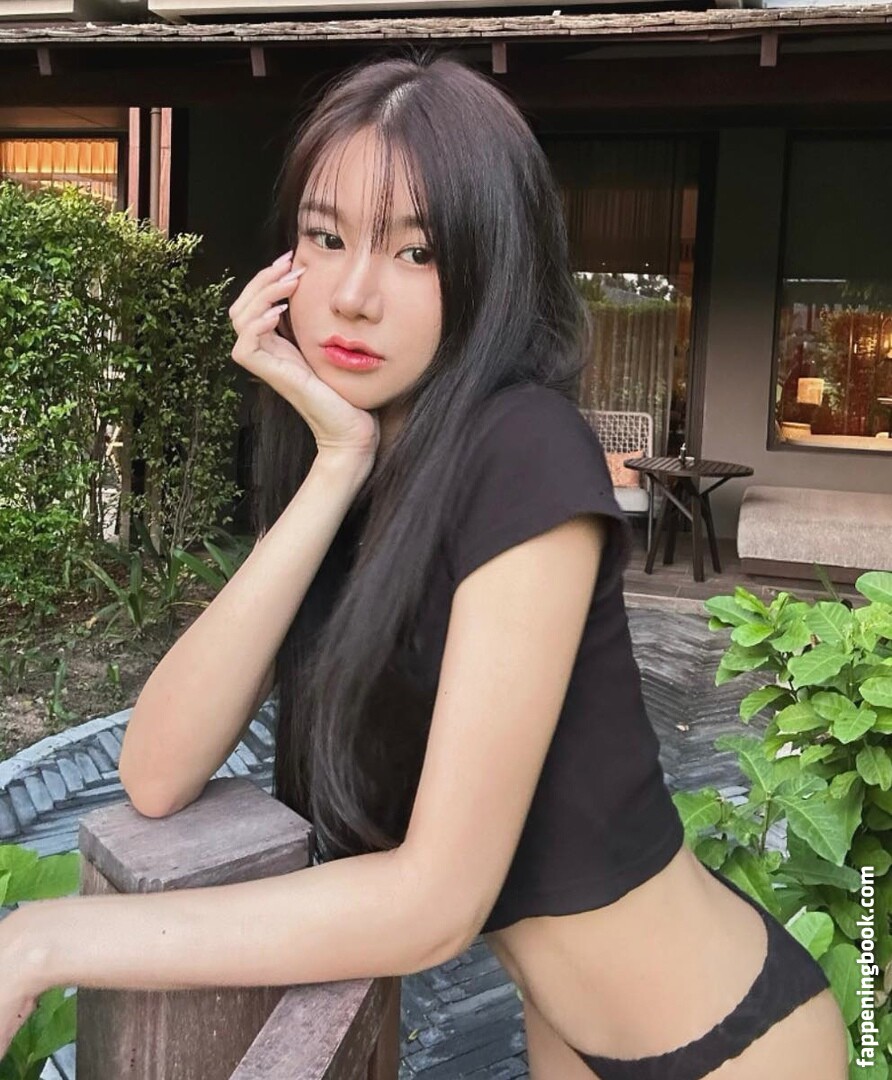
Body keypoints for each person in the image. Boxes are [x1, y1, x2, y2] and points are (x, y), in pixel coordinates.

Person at [0, 51, 849, 1080]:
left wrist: (42, 940)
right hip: (568, 1036)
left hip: (724, 1044)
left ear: (493, 270)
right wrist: (336, 464)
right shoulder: (370, 463)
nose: (353, 295)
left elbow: (436, 903)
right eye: (326, 237)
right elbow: (157, 769)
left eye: (417, 253)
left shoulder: (525, 447)